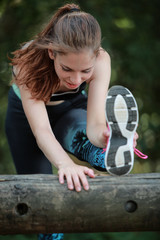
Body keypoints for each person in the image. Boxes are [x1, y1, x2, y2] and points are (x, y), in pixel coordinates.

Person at [5, 3, 146, 240]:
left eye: (85, 71)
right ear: (52, 52)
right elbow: (41, 132)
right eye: (67, 69)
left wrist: (106, 137)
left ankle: (107, 154)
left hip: (70, 110)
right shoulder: (27, 63)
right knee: (42, 203)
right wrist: (64, 164)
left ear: (95, 58)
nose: (76, 79)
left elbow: (94, 126)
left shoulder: (101, 60)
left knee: (85, 137)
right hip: (25, 123)